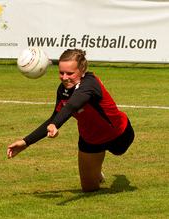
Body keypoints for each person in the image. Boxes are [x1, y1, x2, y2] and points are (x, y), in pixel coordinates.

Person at [7, 49, 134, 193]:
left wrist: (55, 125)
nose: (65, 77)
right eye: (61, 73)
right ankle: (96, 170)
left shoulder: (89, 84)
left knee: (119, 152)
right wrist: (26, 142)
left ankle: (97, 166)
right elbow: (55, 117)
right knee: (89, 188)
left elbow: (72, 106)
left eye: (70, 73)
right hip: (90, 140)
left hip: (118, 134)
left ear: (82, 71)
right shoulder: (63, 90)